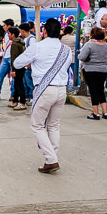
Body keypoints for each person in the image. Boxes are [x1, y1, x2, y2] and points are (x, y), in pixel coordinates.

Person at [13, 18, 72, 173]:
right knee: (54, 125)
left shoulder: (37, 47)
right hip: (61, 89)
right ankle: (51, 158)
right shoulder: (66, 50)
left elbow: (17, 63)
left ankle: (51, 159)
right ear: (59, 32)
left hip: (44, 89)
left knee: (37, 125)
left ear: (44, 32)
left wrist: (32, 61)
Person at [80, 27, 107, 120]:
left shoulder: (89, 45)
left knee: (93, 90)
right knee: (100, 90)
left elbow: (81, 57)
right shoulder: (106, 45)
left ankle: (95, 113)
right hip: (103, 70)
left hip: (90, 70)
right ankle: (105, 112)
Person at [8, 27, 27, 110]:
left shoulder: (14, 44)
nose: (8, 35)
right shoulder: (21, 42)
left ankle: (22, 102)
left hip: (17, 67)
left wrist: (13, 70)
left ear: (13, 34)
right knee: (16, 84)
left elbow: (14, 58)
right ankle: (15, 101)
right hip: (22, 66)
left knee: (19, 85)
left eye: (9, 33)